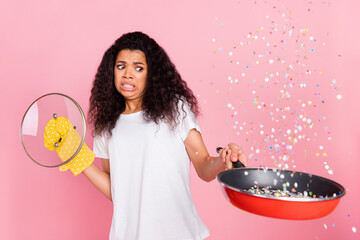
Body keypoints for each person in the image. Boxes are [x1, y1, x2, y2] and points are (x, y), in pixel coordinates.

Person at [83, 31, 247, 240]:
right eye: (121, 66)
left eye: (139, 68)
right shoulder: (106, 124)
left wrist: (224, 160)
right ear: (111, 71)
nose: (128, 74)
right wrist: (77, 159)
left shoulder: (175, 109)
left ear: (151, 74)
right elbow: (117, 189)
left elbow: (204, 166)